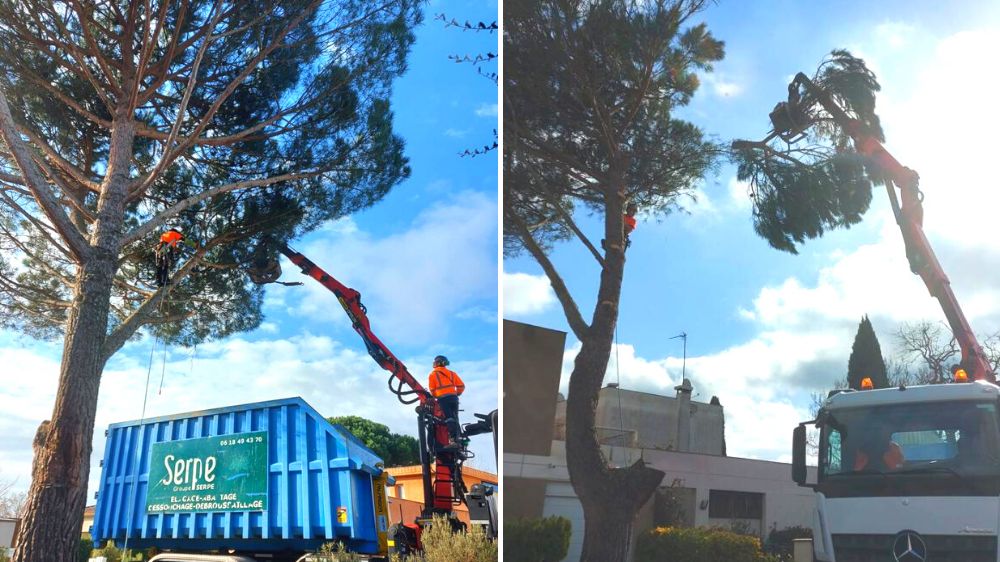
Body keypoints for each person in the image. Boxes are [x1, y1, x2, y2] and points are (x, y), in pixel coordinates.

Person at [428, 355, 465, 448]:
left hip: (443, 399)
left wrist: (436, 397)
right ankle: (459, 440)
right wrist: (457, 394)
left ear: (438, 363)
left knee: (449, 419)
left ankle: (453, 441)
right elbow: (461, 386)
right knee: (455, 418)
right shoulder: (452, 373)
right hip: (454, 398)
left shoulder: (432, 375)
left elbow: (432, 390)